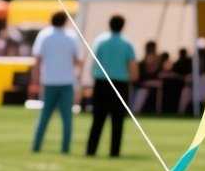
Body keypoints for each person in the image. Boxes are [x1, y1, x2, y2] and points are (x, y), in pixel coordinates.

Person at [29, 12, 82, 154]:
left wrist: (35, 81)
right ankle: (65, 148)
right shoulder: (71, 36)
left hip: (49, 81)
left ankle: (36, 146)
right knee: (67, 118)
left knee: (44, 116)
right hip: (66, 82)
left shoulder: (44, 35)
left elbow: (37, 61)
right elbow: (78, 61)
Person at [86, 15, 138, 158]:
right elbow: (133, 66)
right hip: (120, 84)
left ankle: (91, 150)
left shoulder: (100, 40)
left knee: (98, 119)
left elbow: (94, 61)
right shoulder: (127, 43)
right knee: (118, 120)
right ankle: (114, 152)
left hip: (102, 83)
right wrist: (132, 79)